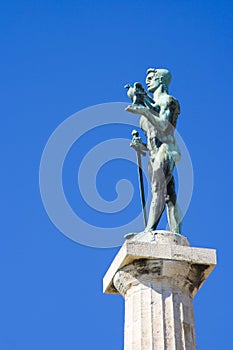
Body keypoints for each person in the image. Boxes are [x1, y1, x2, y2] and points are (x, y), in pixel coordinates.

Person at [126, 68, 182, 233]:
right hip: (154, 153)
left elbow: (165, 126)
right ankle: (176, 234)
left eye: (151, 78)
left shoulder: (168, 101)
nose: (147, 81)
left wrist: (143, 110)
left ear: (161, 80)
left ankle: (148, 231)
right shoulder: (152, 106)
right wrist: (141, 145)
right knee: (169, 196)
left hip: (167, 149)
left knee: (158, 190)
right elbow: (152, 138)